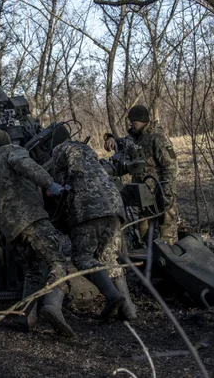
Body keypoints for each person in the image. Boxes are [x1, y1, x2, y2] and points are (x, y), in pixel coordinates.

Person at [0, 129, 76, 338]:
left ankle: (26, 316)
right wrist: (50, 183)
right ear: (6, 141)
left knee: (33, 269)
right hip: (30, 216)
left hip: (10, 228)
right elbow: (27, 166)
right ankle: (52, 306)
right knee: (57, 260)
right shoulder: (11, 151)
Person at [51, 127, 136, 320]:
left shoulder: (59, 150)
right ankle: (129, 309)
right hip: (114, 203)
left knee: (82, 257)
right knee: (109, 258)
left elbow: (59, 184)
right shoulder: (86, 149)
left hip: (88, 207)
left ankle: (113, 296)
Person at [105, 105, 179, 244]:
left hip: (160, 189)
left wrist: (167, 192)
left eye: (134, 121)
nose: (131, 124)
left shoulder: (157, 137)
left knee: (167, 228)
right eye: (130, 121)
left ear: (143, 121)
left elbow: (170, 166)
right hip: (143, 193)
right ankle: (149, 255)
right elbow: (121, 143)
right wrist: (111, 138)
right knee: (144, 229)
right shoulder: (134, 137)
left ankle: (170, 256)